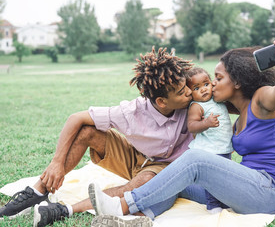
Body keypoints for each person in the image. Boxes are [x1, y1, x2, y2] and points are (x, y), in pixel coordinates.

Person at [88, 37, 275, 226]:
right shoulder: (235, 115)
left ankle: (121, 205)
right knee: (174, 179)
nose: (212, 84)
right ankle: (140, 217)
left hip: (273, 192)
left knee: (195, 159)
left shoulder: (262, 100)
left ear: (237, 81)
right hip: (250, 188)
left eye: (218, 78)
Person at [0, 47, 195, 226]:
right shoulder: (132, 112)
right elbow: (75, 118)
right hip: (135, 156)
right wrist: (56, 162)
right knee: (87, 131)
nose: (188, 92)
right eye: (181, 92)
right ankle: (37, 192)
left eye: (186, 86)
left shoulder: (194, 100)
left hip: (163, 168)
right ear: (161, 101)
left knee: (142, 184)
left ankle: (64, 209)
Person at [185, 67, 233, 213]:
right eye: (196, 88)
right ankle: (213, 205)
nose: (204, 90)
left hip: (223, 147)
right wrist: (206, 123)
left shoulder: (217, 99)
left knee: (225, 177)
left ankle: (224, 200)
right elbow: (192, 126)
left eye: (206, 84)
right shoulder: (197, 106)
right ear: (190, 92)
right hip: (209, 149)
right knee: (212, 179)